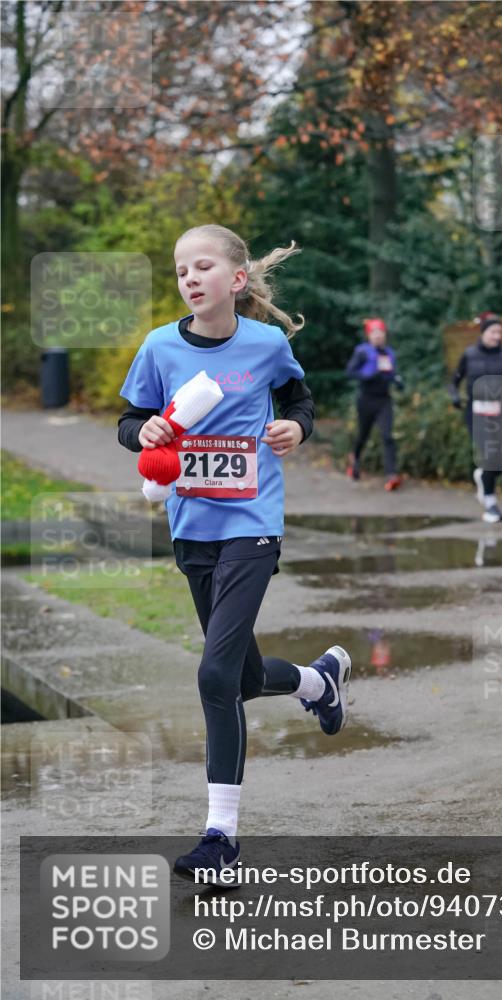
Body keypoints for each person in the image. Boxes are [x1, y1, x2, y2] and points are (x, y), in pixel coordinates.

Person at [117, 224, 352, 878]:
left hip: (252, 523)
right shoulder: (160, 347)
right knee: (243, 679)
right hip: (190, 526)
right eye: (180, 271)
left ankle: (221, 839)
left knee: (214, 677)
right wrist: (148, 431)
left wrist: (293, 427)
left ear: (236, 280)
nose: (189, 278)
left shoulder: (267, 344)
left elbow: (300, 399)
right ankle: (315, 680)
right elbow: (127, 423)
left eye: (201, 266)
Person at [449, 313, 502, 523]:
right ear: (483, 333)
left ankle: (484, 477)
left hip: (501, 412)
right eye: (493, 331)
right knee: (489, 453)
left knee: (501, 458)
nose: (497, 336)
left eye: (500, 332)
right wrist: (455, 396)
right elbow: (454, 380)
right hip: (477, 413)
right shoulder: (470, 354)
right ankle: (490, 503)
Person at [345, 317, 402, 490]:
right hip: (366, 399)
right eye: (374, 333)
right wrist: (368, 376)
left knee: (387, 436)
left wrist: (398, 381)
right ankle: (354, 459)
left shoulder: (389, 353)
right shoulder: (362, 351)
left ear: (385, 334)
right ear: (369, 335)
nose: (378, 336)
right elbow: (350, 372)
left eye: (381, 332)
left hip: (384, 399)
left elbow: (392, 373)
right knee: (363, 435)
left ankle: (392, 475)